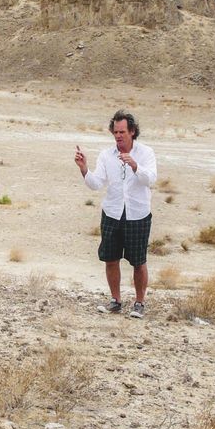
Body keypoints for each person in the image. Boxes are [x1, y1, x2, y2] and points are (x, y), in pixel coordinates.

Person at [73, 110, 157, 319]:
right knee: (110, 259)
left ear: (132, 132)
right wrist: (84, 168)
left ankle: (139, 302)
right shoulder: (106, 155)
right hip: (112, 212)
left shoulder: (145, 153)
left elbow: (151, 180)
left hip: (137, 214)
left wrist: (135, 165)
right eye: (115, 132)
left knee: (138, 261)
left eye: (122, 132)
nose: (118, 136)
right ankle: (116, 301)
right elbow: (96, 184)